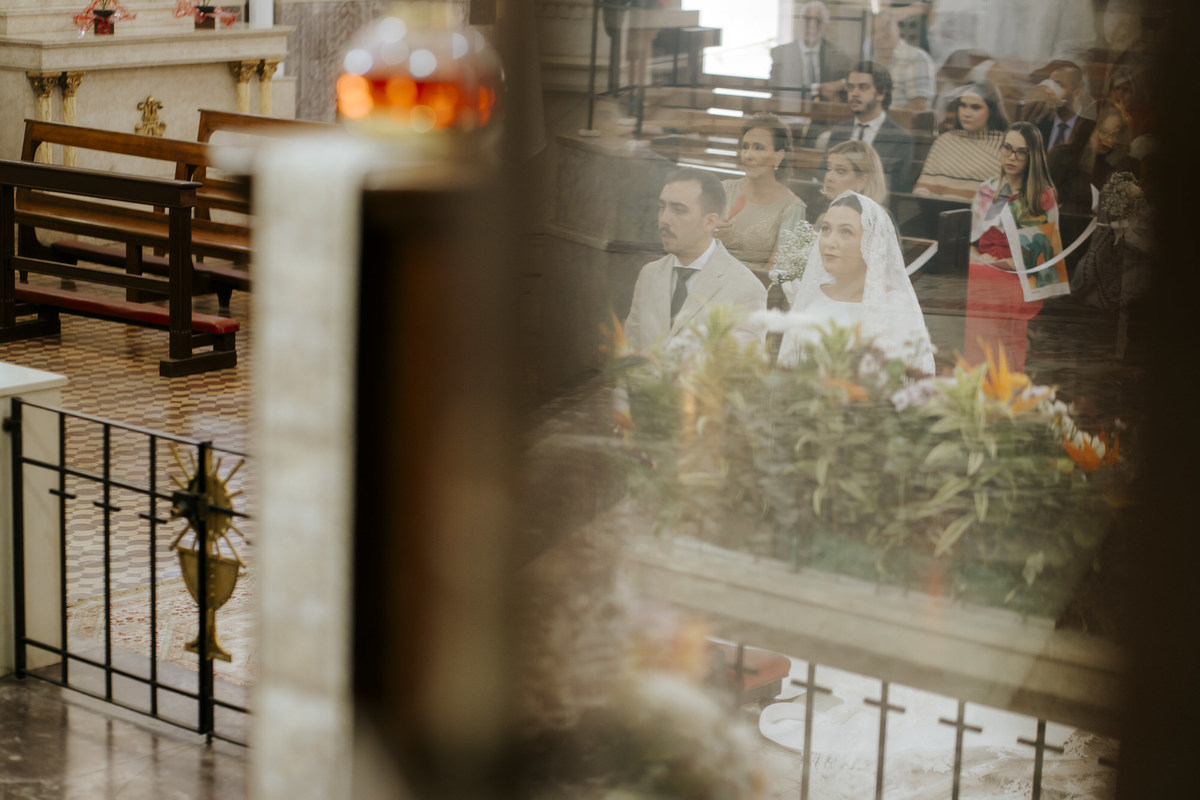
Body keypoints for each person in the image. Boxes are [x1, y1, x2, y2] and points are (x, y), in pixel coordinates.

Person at [777, 191, 935, 374]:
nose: (829, 242)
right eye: (826, 229)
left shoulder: (894, 307)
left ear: (871, 243)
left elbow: (909, 383)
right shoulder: (812, 299)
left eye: (846, 232)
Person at [623, 168, 768, 356]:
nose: (664, 219)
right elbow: (629, 355)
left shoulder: (745, 288)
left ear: (709, 222)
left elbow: (741, 375)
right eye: (661, 207)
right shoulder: (649, 274)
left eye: (678, 210)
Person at [964, 122, 1063, 372]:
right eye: (1007, 148)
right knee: (976, 280)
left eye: (1021, 151)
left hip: (1016, 277)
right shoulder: (987, 189)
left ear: (1033, 156)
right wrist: (979, 260)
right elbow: (972, 243)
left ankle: (1002, 380)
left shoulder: (1041, 196)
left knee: (992, 284)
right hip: (982, 272)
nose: (1011, 156)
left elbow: (1038, 257)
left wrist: (993, 265)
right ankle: (976, 378)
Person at [714, 114, 808, 267]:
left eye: (758, 148)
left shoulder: (792, 208)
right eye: (745, 147)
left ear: (778, 157)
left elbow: (778, 272)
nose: (748, 156)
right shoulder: (724, 190)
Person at [824, 62, 915, 193]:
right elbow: (823, 175)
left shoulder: (900, 138)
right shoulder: (839, 131)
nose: (854, 93)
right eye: (850, 87)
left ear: (881, 94)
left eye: (863, 87)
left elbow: (893, 189)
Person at [913, 80, 1009, 200]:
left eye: (975, 107)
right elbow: (923, 190)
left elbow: (1004, 197)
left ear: (991, 111)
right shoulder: (945, 141)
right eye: (963, 106)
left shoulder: (1006, 146)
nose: (966, 113)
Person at [1047, 101, 1138, 216]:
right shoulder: (1060, 156)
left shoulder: (1117, 166)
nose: (1109, 141)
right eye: (1103, 132)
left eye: (1114, 135)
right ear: (1089, 127)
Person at [770, 1, 852, 101]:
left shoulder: (836, 55)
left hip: (825, 112)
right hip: (791, 110)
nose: (812, 25)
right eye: (807, 19)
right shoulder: (781, 53)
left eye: (818, 20)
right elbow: (777, 87)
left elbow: (852, 77)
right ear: (799, 21)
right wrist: (818, 89)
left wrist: (842, 83)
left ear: (826, 27)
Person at [864, 11, 935, 111]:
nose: (883, 35)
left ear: (897, 29)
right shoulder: (868, 61)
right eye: (874, 31)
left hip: (899, 125)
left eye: (886, 29)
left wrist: (881, 120)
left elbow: (919, 106)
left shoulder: (916, 57)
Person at [1021, 61, 1095, 153]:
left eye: (1059, 85)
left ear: (1076, 93)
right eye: (1049, 83)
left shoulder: (1089, 128)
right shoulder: (1040, 119)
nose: (1049, 90)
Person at [810, 139, 888, 223]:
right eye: (829, 169)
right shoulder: (814, 208)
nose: (829, 177)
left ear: (862, 181)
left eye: (840, 171)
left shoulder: (874, 219)